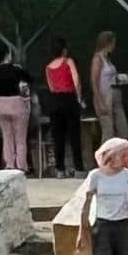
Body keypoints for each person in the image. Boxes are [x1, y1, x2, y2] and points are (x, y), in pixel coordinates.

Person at [41, 38, 85, 175]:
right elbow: (76, 80)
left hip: (55, 101)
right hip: (69, 98)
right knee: (74, 135)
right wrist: (78, 98)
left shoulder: (48, 67)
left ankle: (60, 169)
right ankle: (78, 168)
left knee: (57, 136)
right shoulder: (68, 62)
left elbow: (51, 86)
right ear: (64, 49)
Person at [0, 41, 34, 173]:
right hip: (17, 104)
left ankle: (9, 165)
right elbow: (30, 79)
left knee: (7, 137)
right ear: (8, 55)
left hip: (1, 105)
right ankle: (21, 166)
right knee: (20, 138)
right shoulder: (16, 69)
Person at [89, 31, 125, 146]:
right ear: (107, 43)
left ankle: (119, 155)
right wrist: (100, 102)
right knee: (108, 131)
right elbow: (94, 81)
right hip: (104, 97)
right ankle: (105, 159)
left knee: (123, 128)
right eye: (113, 43)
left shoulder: (107, 59)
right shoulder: (97, 59)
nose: (114, 46)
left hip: (114, 95)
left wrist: (120, 78)